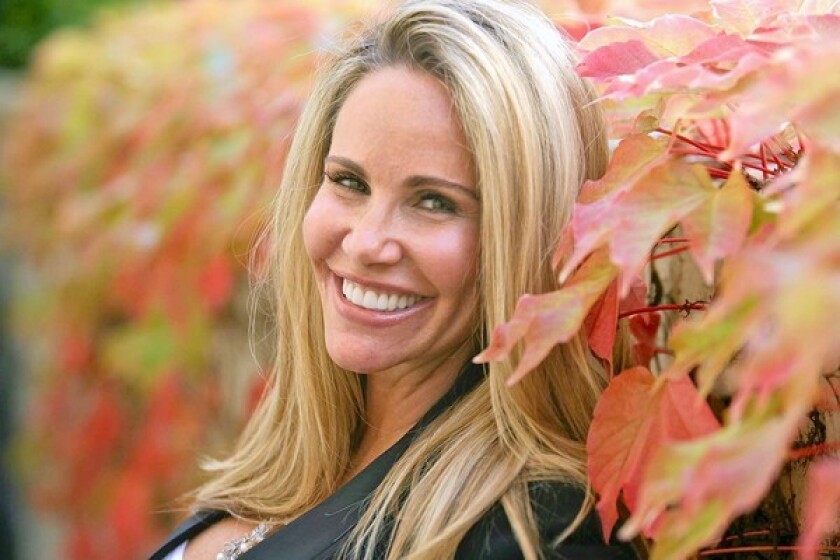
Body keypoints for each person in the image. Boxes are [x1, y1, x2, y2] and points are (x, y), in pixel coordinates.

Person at [150, 0, 639, 558]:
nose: (363, 243)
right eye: (349, 182)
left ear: (525, 237)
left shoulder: (527, 534)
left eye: (434, 201)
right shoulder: (295, 463)